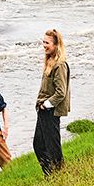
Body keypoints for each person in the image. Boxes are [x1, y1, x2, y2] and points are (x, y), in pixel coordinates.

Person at [33, 28, 71, 176]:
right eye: (43, 42)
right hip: (43, 110)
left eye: (47, 43)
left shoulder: (59, 65)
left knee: (52, 146)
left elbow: (61, 92)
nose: (44, 45)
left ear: (56, 45)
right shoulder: (49, 61)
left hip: (50, 110)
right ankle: (50, 175)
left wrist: (46, 105)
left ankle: (59, 175)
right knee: (39, 145)